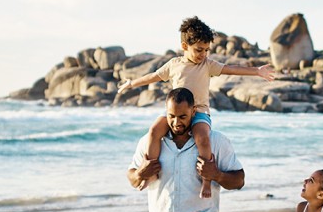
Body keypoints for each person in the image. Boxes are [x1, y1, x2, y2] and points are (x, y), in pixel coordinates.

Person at [118, 16, 280, 198]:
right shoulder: (174, 65)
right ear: (185, 46)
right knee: (154, 131)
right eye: (199, 50)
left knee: (202, 138)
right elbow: (153, 76)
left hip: (200, 112)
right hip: (176, 113)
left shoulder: (207, 65)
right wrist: (131, 83)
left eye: (206, 50)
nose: (203, 54)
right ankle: (150, 172)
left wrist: (257, 71)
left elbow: (231, 69)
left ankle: (206, 182)